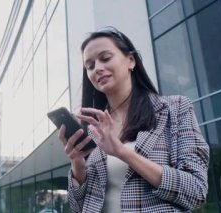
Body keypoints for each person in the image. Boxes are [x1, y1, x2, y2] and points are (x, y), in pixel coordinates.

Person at [58, 26, 209, 212]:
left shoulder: (175, 109)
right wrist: (78, 167)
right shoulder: (93, 129)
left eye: (105, 58)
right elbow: (78, 208)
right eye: (90, 66)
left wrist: (123, 152)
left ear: (131, 61)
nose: (97, 68)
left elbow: (196, 191)